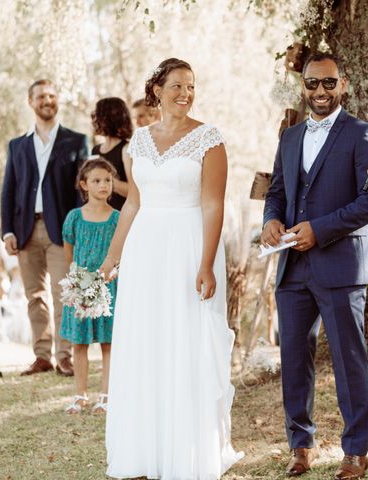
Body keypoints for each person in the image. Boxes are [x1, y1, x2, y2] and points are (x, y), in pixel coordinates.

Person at [101, 58, 243, 479]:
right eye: (177, 85)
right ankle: (145, 448)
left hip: (188, 246)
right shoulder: (137, 143)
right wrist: (114, 256)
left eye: (191, 86)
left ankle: (188, 450)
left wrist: (206, 262)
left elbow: (212, 203)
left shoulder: (209, 139)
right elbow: (133, 203)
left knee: (186, 341)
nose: (185, 93)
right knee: (147, 341)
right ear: (157, 91)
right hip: (146, 250)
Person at [261, 52, 368, 480]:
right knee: (294, 359)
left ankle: (356, 452)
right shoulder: (290, 137)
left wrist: (320, 229)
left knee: (350, 360)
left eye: (328, 83)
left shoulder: (365, 135)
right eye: (312, 84)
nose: (320, 92)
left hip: (340, 266)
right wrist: (271, 220)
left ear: (343, 84)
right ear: (304, 86)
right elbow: (277, 192)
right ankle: (299, 445)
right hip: (292, 267)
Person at [1, 79, 89, 377]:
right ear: (31, 101)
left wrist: (80, 227)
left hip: (62, 230)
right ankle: (42, 356)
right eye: (41, 96)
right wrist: (8, 231)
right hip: (25, 230)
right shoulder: (17, 145)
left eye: (52, 96)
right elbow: (8, 190)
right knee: (34, 296)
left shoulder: (76, 141)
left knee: (64, 292)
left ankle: (65, 356)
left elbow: (81, 189)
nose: (47, 101)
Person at [60, 159, 119, 414]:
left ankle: (105, 396)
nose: (103, 185)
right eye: (96, 180)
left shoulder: (118, 219)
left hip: (109, 289)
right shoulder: (74, 217)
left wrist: (112, 273)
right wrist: (77, 283)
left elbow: (121, 255)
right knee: (79, 343)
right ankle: (80, 395)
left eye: (107, 180)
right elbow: (68, 254)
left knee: (108, 344)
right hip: (81, 289)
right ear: (84, 184)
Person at [91, 97, 133, 210]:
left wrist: (108, 181)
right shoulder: (95, 150)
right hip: (100, 216)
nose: (94, 120)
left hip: (121, 217)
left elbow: (134, 192)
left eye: (98, 115)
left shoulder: (126, 149)